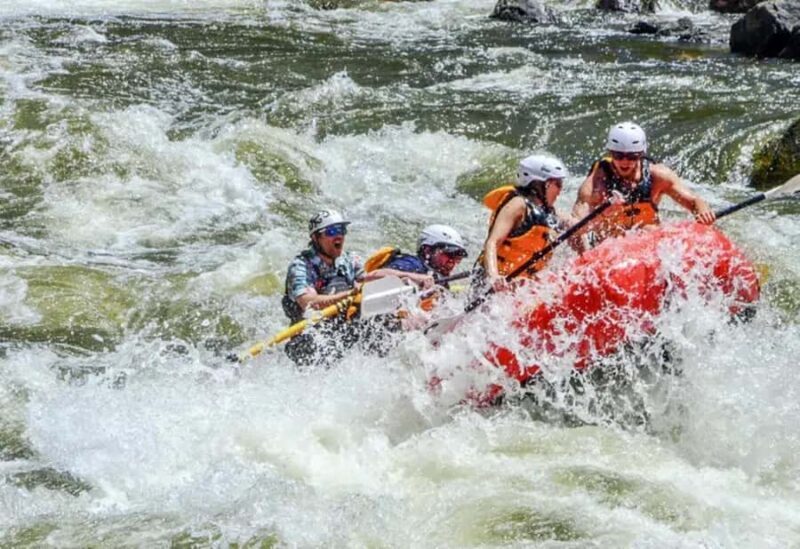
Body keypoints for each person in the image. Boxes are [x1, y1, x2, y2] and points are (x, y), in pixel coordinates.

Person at [281, 209, 430, 366]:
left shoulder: (348, 259)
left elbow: (372, 276)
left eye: (342, 230)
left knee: (387, 320)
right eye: (332, 231)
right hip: (310, 338)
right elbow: (309, 302)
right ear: (316, 238)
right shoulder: (301, 266)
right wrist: (350, 294)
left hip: (342, 330)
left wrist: (414, 278)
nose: (339, 235)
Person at [572, 122, 715, 247]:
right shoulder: (596, 185)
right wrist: (603, 215)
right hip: (612, 250)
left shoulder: (658, 176)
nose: (625, 162)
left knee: (650, 230)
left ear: (641, 153)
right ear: (610, 153)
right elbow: (576, 227)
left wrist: (703, 212)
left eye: (632, 156)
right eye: (618, 155)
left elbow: (694, 201)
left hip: (649, 246)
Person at [474, 154, 571, 294]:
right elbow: (492, 242)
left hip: (519, 288)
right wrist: (494, 277)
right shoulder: (517, 205)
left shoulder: (550, 214)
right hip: (491, 286)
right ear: (541, 183)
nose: (560, 191)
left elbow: (578, 224)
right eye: (557, 184)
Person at [365, 224, 468, 311]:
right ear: (427, 250)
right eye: (449, 254)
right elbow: (369, 277)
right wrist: (415, 277)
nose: (452, 262)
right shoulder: (413, 264)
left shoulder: (439, 277)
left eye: (457, 258)